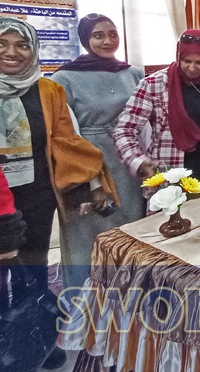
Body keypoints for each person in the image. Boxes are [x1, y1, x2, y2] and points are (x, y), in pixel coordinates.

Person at [0, 18, 116, 370]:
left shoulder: (48, 90)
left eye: (22, 45)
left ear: (34, 50)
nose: (12, 52)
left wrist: (86, 185)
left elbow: (66, 142)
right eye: (2, 44)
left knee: (33, 270)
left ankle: (34, 340)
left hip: (36, 196)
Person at [51, 13, 145, 289]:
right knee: (88, 230)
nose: (107, 41)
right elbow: (64, 134)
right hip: (87, 159)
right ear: (84, 39)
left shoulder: (134, 73)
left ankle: (129, 290)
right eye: (98, 35)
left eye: (112, 34)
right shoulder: (64, 78)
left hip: (128, 161)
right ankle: (86, 294)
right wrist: (89, 181)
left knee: (130, 226)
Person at [114, 29, 200, 189]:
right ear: (178, 56)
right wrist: (138, 161)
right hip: (174, 173)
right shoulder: (154, 84)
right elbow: (124, 130)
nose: (192, 67)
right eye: (186, 60)